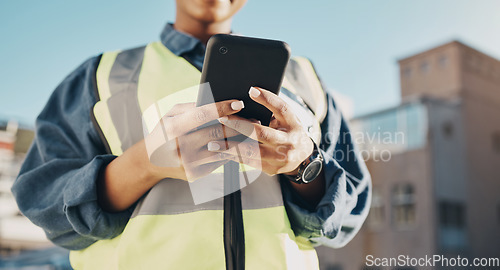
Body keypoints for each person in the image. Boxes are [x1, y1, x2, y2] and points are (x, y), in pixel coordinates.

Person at [12, 0, 371, 269]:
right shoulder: (101, 76)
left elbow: (349, 209)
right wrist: (145, 163)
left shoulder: (305, 79)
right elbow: (43, 203)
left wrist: (304, 166)